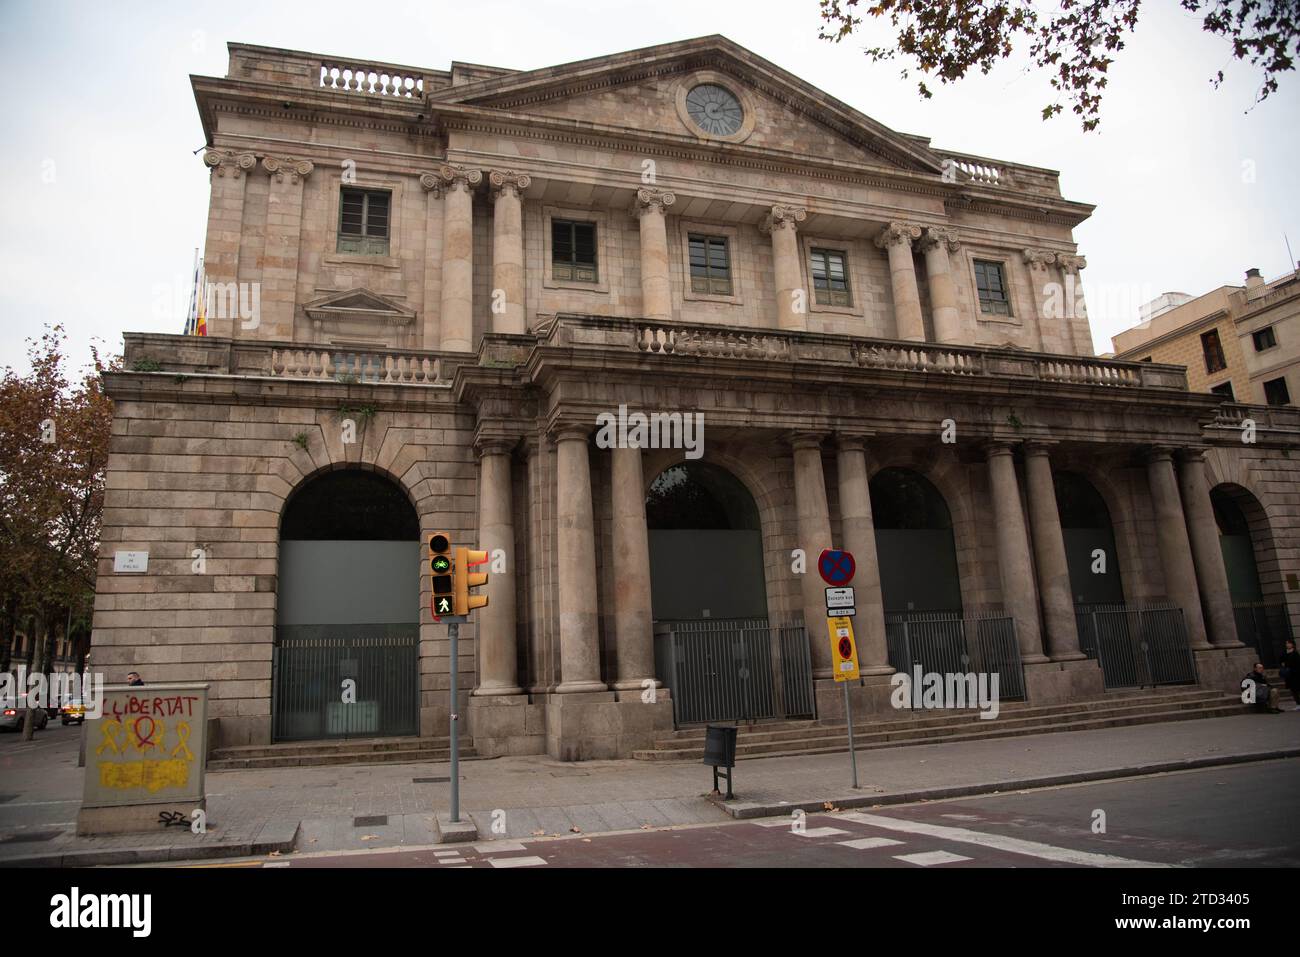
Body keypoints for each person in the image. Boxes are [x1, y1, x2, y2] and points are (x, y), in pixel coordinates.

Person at [1281, 640, 1300, 712]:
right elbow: (1281, 660)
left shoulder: (1295, 653)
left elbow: (1297, 663)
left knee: (1297, 689)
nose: (1287, 645)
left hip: (1296, 674)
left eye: (1289, 643)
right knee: (1293, 690)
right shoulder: (1284, 653)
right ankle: (1298, 704)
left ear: (1292, 644)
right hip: (1289, 675)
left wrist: (1287, 664)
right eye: (1286, 643)